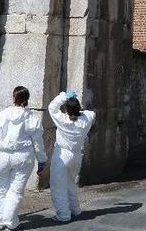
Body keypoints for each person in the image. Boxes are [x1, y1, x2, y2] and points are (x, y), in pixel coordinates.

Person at [0, 86, 46, 231]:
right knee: (16, 190)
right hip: (23, 156)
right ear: (27, 99)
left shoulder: (3, 114)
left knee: (1, 189)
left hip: (2, 154)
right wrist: (42, 160)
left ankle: (0, 221)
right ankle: (9, 222)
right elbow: (37, 142)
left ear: (14, 98)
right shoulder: (32, 117)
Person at [47, 90, 96, 222]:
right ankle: (75, 209)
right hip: (76, 155)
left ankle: (63, 215)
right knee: (70, 184)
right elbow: (90, 113)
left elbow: (52, 107)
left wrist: (64, 96)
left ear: (67, 110)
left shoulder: (62, 120)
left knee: (58, 186)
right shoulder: (86, 119)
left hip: (62, 154)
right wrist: (76, 107)